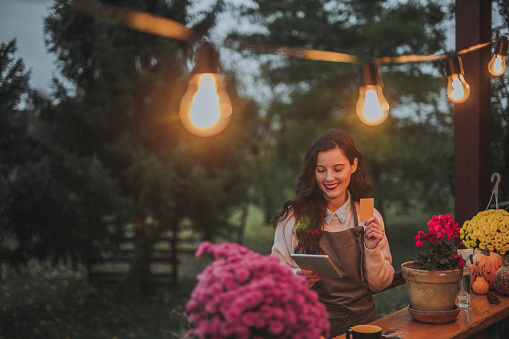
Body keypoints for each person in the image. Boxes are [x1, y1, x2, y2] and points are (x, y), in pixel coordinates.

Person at [271, 129, 394, 337]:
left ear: (353, 166)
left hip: (364, 327)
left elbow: (381, 283)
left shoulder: (368, 215)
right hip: (312, 327)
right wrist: (295, 277)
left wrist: (372, 249)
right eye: (321, 170)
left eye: (338, 169)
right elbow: (274, 274)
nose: (329, 178)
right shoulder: (294, 218)